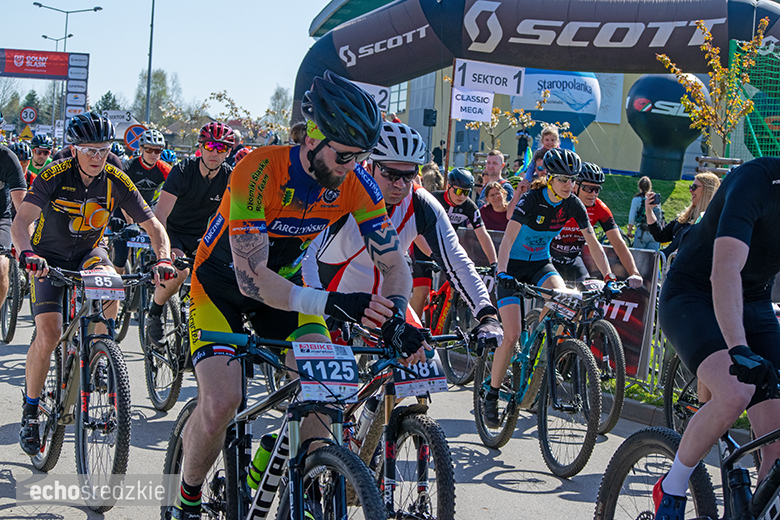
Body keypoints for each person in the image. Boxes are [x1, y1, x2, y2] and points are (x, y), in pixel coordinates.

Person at [170, 72, 425, 520]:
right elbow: (252, 279)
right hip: (222, 287)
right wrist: (332, 303)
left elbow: (394, 262)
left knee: (325, 393)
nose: (351, 166)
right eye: (344, 155)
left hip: (287, 292)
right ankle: (187, 498)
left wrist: (399, 314)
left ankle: (297, 479)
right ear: (311, 138)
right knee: (223, 401)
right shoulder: (259, 169)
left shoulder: (355, 183)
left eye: (360, 157)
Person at [13, 112, 173, 457]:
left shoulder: (117, 179)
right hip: (48, 258)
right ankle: (30, 410)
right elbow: (21, 221)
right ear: (74, 149)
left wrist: (163, 258)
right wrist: (27, 253)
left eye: (103, 149)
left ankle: (101, 346)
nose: (97, 157)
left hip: (88, 252)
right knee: (50, 333)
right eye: (89, 150)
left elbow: (155, 227)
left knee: (113, 279)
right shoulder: (54, 174)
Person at [653, 156, 780, 520]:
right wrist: (739, 349)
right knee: (736, 392)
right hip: (693, 294)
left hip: (754, 301)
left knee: (776, 437)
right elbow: (724, 269)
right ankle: (672, 488)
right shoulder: (756, 181)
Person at [302, 121, 502, 349]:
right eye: (389, 173)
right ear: (368, 166)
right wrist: (319, 306)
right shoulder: (339, 192)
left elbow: (456, 261)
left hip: (390, 301)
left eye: (408, 176)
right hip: (329, 297)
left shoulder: (421, 202)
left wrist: (487, 314)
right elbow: (304, 256)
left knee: (423, 364)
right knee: (322, 378)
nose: (399, 184)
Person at [486, 148, 615, 428]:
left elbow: (593, 240)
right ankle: (492, 393)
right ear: (549, 178)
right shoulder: (532, 199)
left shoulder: (573, 204)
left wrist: (608, 276)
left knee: (566, 299)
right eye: (564, 180)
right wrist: (502, 273)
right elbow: (507, 241)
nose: (570, 185)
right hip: (513, 267)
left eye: (573, 180)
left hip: (541, 264)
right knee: (510, 337)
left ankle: (538, 351)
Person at [146, 122, 234, 348]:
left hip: (204, 236)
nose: (215, 152)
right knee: (179, 271)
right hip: (174, 232)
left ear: (228, 152)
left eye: (221, 148)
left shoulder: (230, 177)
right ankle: (154, 314)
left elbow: (235, 220)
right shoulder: (183, 171)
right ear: (201, 147)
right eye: (210, 146)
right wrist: (165, 252)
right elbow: (161, 215)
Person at [549, 162, 643, 286]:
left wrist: (634, 273)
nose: (593, 194)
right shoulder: (558, 202)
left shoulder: (599, 208)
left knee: (589, 294)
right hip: (548, 259)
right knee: (553, 294)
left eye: (597, 189)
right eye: (588, 188)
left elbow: (618, 243)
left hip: (572, 260)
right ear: (574, 186)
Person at [644, 172, 720, 258]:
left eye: (694, 187)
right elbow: (661, 235)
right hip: (669, 266)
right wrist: (649, 211)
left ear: (707, 190)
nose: (690, 190)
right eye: (690, 187)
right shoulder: (686, 216)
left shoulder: (712, 219)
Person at [627, 176, 663, 250]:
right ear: (650, 187)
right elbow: (660, 216)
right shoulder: (654, 199)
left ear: (639, 186)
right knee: (651, 259)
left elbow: (632, 217)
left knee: (638, 258)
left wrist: (629, 231)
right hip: (655, 234)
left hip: (641, 232)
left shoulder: (637, 199)